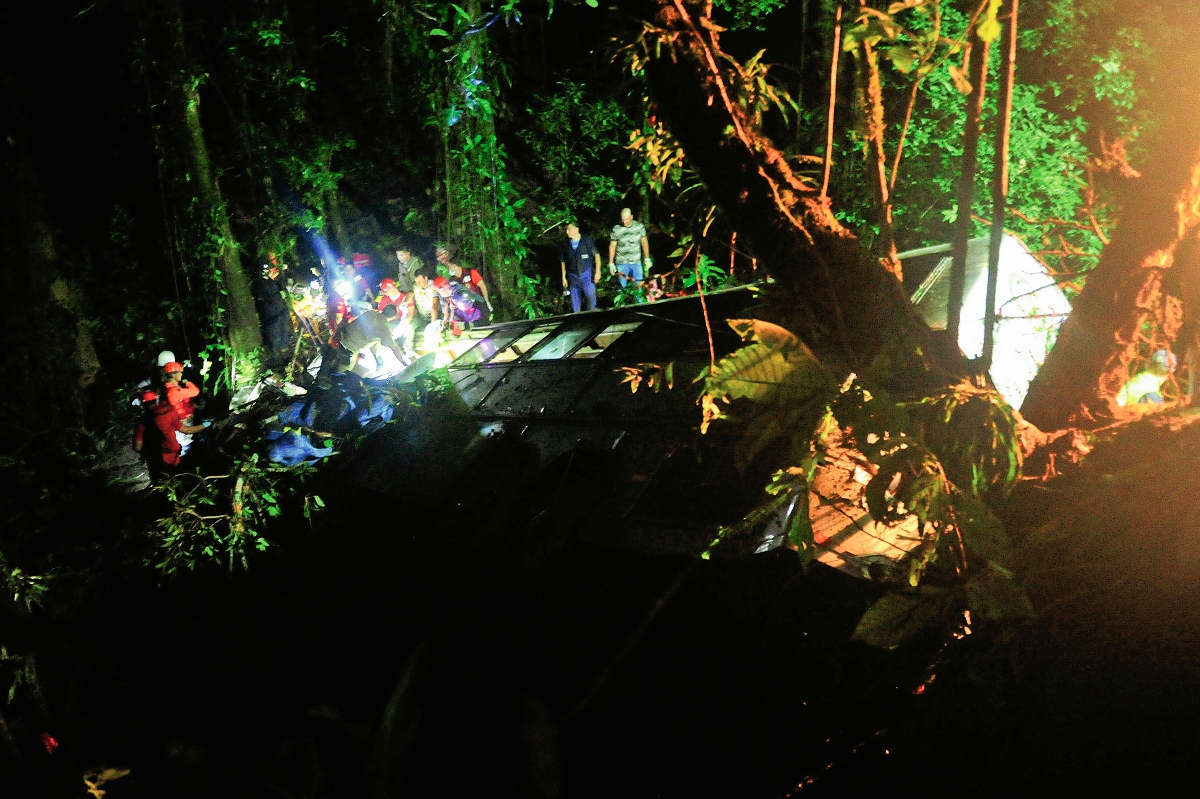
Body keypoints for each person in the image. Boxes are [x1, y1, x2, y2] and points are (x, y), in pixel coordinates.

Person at [133, 389, 208, 477]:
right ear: (157, 400)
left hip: (158, 456)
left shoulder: (143, 422)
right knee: (177, 473)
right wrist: (205, 425)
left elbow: (138, 447)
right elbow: (187, 430)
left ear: (143, 405)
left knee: (163, 476)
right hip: (174, 450)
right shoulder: (169, 412)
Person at [255, 263, 294, 367]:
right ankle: (278, 360)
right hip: (272, 315)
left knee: (283, 334)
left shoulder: (272, 282)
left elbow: (283, 292)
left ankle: (285, 356)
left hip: (279, 313)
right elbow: (266, 299)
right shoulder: (259, 284)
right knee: (275, 336)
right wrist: (280, 295)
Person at [436, 245, 492, 315]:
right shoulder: (452, 280)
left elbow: (482, 286)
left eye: (450, 267)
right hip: (464, 310)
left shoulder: (471, 272)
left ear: (455, 265)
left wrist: (487, 302)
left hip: (477, 304)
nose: (449, 269)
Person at [560, 221, 602, 313]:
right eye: (567, 230)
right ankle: (577, 319)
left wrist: (598, 272)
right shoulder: (565, 244)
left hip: (586, 274)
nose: (567, 232)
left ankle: (592, 317)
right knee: (575, 303)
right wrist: (564, 277)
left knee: (591, 298)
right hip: (572, 276)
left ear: (576, 229)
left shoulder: (587, 241)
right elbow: (562, 261)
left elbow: (597, 255)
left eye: (569, 230)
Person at [607, 207, 652, 291]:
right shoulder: (617, 229)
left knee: (639, 287)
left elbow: (644, 242)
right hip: (622, 262)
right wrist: (611, 263)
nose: (624, 222)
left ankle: (640, 303)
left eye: (626, 219)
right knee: (622, 287)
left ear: (631, 217)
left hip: (636, 262)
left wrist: (647, 258)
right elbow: (612, 246)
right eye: (622, 219)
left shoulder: (639, 227)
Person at [377, 278, 416, 358]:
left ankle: (408, 350)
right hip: (392, 321)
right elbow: (381, 316)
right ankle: (399, 353)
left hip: (405, 320)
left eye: (385, 291)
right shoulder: (384, 300)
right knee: (388, 333)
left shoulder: (405, 297)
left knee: (409, 328)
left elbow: (410, 315)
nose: (384, 293)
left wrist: (402, 325)